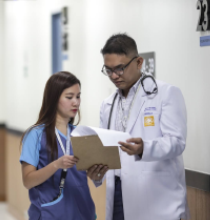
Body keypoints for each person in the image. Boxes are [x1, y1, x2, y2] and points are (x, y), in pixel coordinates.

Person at [87, 34, 189, 220]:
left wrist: (145, 148)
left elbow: (177, 142)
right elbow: (105, 151)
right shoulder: (107, 104)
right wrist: (97, 173)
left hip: (157, 197)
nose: (114, 76)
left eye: (120, 68)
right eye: (108, 70)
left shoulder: (165, 94)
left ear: (139, 62)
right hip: (118, 194)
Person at [20, 71, 96, 220]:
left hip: (82, 212)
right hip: (51, 213)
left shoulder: (81, 134)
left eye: (78, 96)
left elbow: (83, 177)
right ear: (54, 99)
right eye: (69, 97)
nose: (76, 102)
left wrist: (97, 172)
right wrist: (56, 165)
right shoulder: (35, 135)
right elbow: (28, 181)